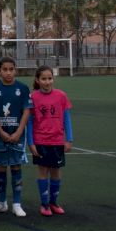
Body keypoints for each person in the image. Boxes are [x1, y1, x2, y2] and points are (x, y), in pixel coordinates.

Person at [0, 57, 33, 218]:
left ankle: (17, 204)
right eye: (4, 69)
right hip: (0, 135)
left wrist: (19, 131)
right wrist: (0, 131)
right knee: (0, 167)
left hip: (17, 134)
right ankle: (1, 202)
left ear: (15, 70)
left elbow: (27, 111)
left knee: (15, 166)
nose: (8, 72)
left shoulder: (23, 88)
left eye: (11, 69)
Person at [28, 66, 73, 216]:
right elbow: (30, 122)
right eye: (44, 79)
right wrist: (31, 142)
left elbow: (67, 119)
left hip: (57, 141)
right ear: (37, 80)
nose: (47, 82)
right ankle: (44, 204)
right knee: (43, 172)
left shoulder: (61, 96)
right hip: (40, 141)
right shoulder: (33, 97)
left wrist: (69, 139)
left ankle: (53, 202)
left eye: (50, 78)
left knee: (56, 172)